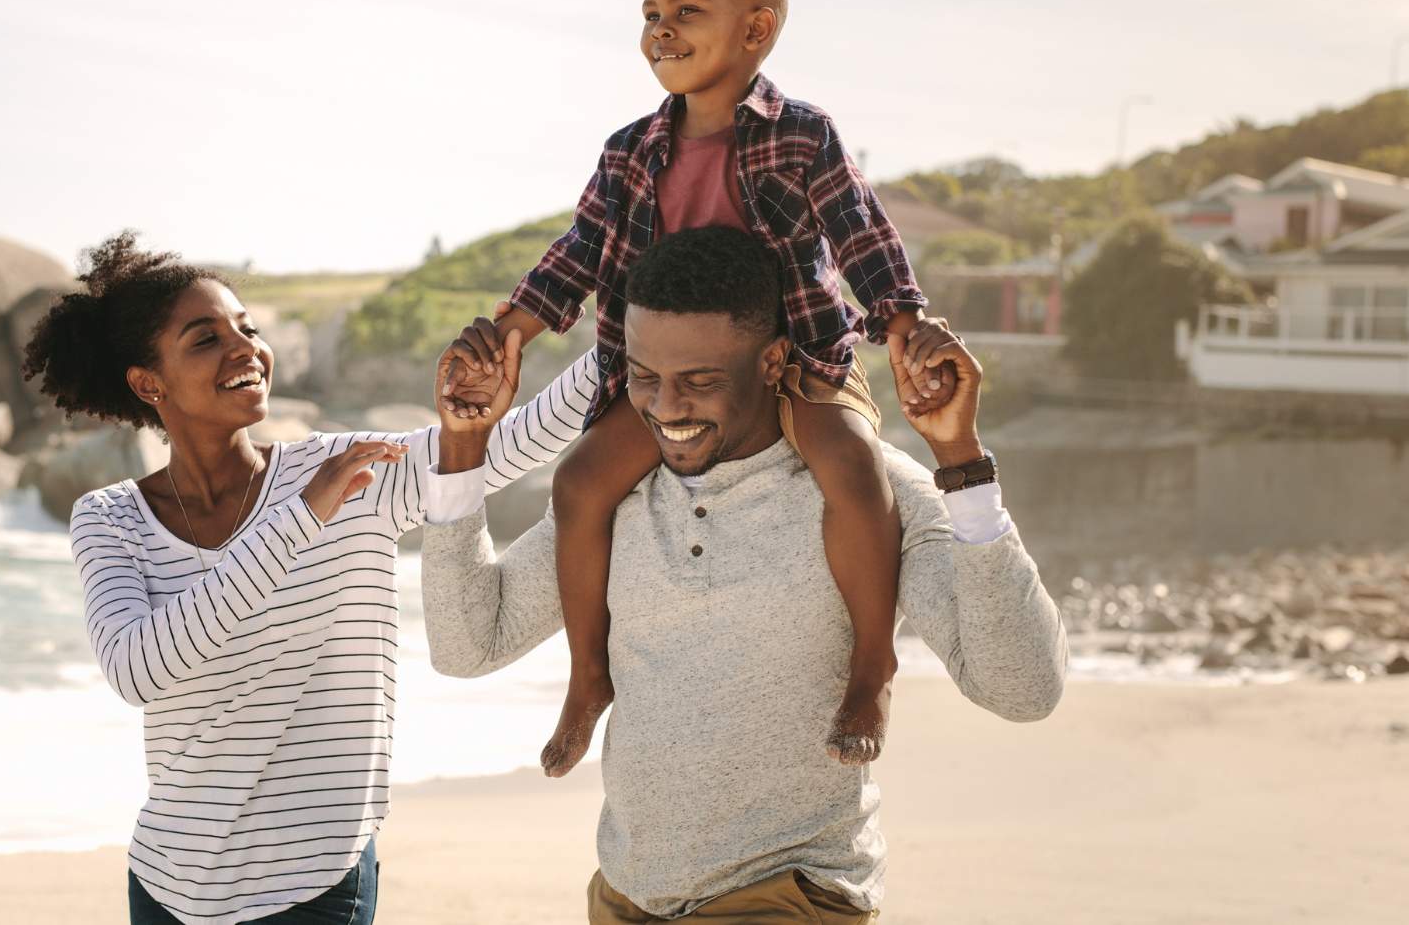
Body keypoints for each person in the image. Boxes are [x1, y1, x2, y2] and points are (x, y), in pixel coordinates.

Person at [421, 228, 1067, 923]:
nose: (667, 408)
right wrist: (464, 447)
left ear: (771, 362)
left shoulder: (875, 496)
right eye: (645, 377)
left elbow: (1023, 689)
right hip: (627, 896)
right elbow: (468, 647)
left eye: (700, 382)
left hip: (790, 893)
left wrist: (961, 462)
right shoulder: (617, 497)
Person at [439, 0, 963, 778]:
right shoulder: (630, 150)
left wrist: (903, 322)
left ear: (757, 30)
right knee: (577, 484)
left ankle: (872, 670)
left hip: (794, 360)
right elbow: (576, 253)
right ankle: (587, 677)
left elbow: (860, 235)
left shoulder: (801, 136)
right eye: (650, 14)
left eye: (687, 11)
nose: (662, 30)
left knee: (853, 469)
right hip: (666, 379)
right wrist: (512, 329)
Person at [21, 232, 598, 925]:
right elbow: (140, 670)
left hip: (315, 883)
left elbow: (512, 441)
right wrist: (301, 516)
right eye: (205, 339)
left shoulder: (349, 469)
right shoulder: (112, 519)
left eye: (248, 328)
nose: (245, 349)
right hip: (168, 886)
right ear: (149, 383)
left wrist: (636, 331)